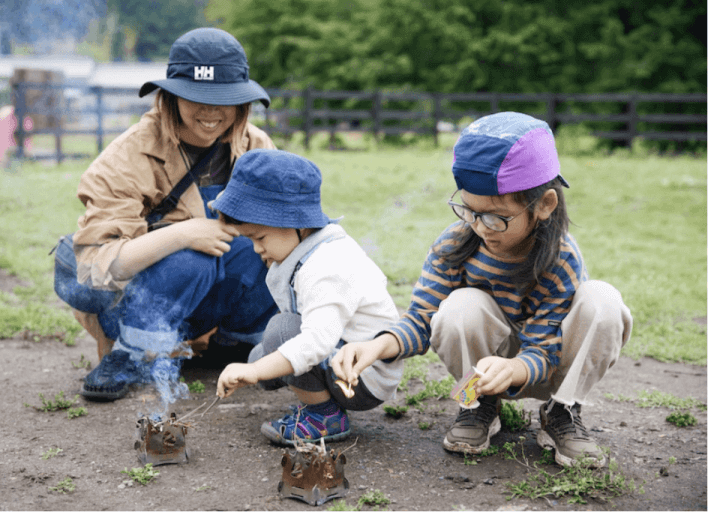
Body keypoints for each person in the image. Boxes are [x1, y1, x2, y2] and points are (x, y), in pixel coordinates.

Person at [332, 112, 633, 468]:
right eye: (470, 211)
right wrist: (375, 345)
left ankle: (562, 412)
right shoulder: (455, 244)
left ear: (544, 205)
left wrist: (517, 368)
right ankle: (477, 405)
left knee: (604, 301)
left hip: (546, 364)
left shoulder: (561, 256)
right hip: (483, 371)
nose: (480, 227)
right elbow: (423, 319)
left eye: (496, 216)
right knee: (461, 304)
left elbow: (546, 347)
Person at [59, 27, 279, 402]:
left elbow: (288, 230)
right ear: (171, 97)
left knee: (271, 247)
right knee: (192, 256)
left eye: (224, 98)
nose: (211, 112)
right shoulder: (125, 157)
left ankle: (237, 344)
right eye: (197, 97)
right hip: (134, 302)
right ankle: (135, 353)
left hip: (212, 297)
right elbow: (99, 266)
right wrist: (183, 234)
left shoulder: (256, 146)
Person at [210, 149, 404, 446]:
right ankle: (317, 399)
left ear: (297, 225)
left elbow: (315, 342)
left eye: (260, 238)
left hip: (362, 375)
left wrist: (254, 371)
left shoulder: (326, 266)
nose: (256, 249)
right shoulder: (308, 248)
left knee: (282, 331)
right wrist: (259, 367)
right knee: (263, 355)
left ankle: (324, 416)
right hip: (344, 357)